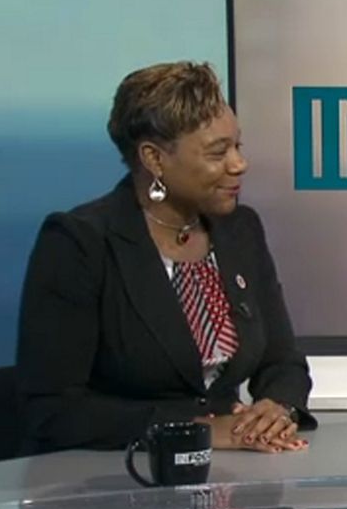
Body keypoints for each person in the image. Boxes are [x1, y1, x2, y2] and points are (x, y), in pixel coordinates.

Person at [17, 61, 317, 454]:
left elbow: (282, 362)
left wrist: (276, 408)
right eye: (218, 152)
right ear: (154, 159)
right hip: (112, 471)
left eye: (238, 146)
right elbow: (54, 409)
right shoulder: (80, 242)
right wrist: (195, 429)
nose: (238, 164)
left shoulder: (240, 229)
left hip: (230, 468)